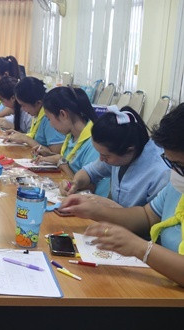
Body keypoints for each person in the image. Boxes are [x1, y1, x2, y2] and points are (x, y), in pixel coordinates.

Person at [60, 103, 184, 286]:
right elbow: (147, 215)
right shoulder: (177, 184)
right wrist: (94, 210)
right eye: (170, 162)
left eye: (179, 165)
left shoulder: (162, 173)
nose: (173, 170)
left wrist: (140, 248)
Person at [59, 106, 169, 206]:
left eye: (105, 156)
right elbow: (89, 172)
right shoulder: (120, 154)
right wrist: (75, 183)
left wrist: (111, 207)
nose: (101, 159)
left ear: (129, 150)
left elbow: (151, 218)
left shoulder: (159, 172)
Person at [32, 86, 110, 196]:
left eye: (49, 119)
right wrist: (51, 155)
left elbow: (90, 187)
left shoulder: (94, 143)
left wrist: (61, 162)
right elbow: (70, 162)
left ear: (63, 114)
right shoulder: (72, 135)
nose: (50, 124)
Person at [2, 77, 65, 153]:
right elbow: (35, 138)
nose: (22, 109)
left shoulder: (48, 119)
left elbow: (54, 153)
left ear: (38, 103)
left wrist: (25, 139)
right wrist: (20, 135)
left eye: (23, 105)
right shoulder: (37, 114)